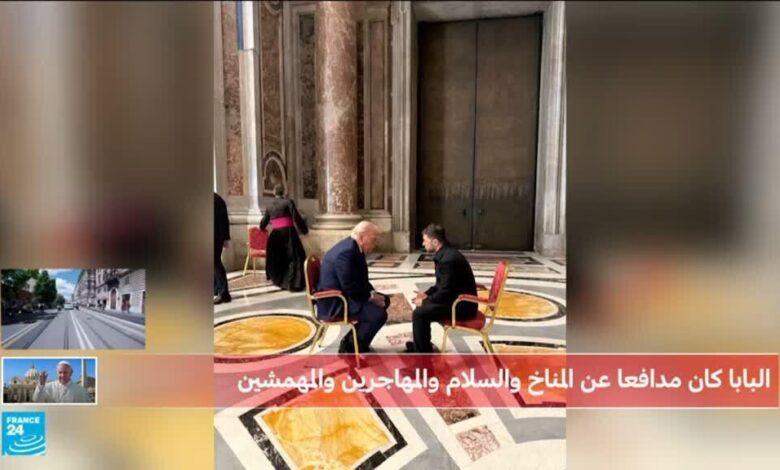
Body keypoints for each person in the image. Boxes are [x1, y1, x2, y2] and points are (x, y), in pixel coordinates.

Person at [317, 221, 389, 353]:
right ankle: (350, 345)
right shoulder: (346, 252)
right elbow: (349, 286)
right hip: (336, 302)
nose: (375, 243)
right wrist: (370, 297)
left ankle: (357, 340)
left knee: (385, 300)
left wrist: (372, 293)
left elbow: (360, 279)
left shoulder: (354, 247)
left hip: (345, 294)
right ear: (361, 237)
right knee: (379, 315)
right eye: (373, 239)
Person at [408, 224, 477, 353]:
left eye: (425, 240)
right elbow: (441, 285)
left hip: (462, 307)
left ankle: (422, 353)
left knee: (420, 313)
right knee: (421, 310)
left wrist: (426, 301)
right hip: (456, 300)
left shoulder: (447, 260)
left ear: (435, 242)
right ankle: (422, 346)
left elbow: (446, 291)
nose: (423, 244)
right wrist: (426, 294)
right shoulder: (447, 254)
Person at [259, 185, 309, 291]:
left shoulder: (270, 205)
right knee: (294, 257)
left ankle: (280, 281)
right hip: (289, 233)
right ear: (284, 192)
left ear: (274, 193)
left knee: (278, 258)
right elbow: (296, 217)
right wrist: (304, 230)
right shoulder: (288, 202)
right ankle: (292, 284)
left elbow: (264, 222)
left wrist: (262, 227)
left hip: (275, 235)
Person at [214, 192, 232, 304]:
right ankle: (216, 288)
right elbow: (225, 221)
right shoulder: (219, 200)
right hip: (218, 237)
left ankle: (224, 293)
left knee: (215, 263)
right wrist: (225, 238)